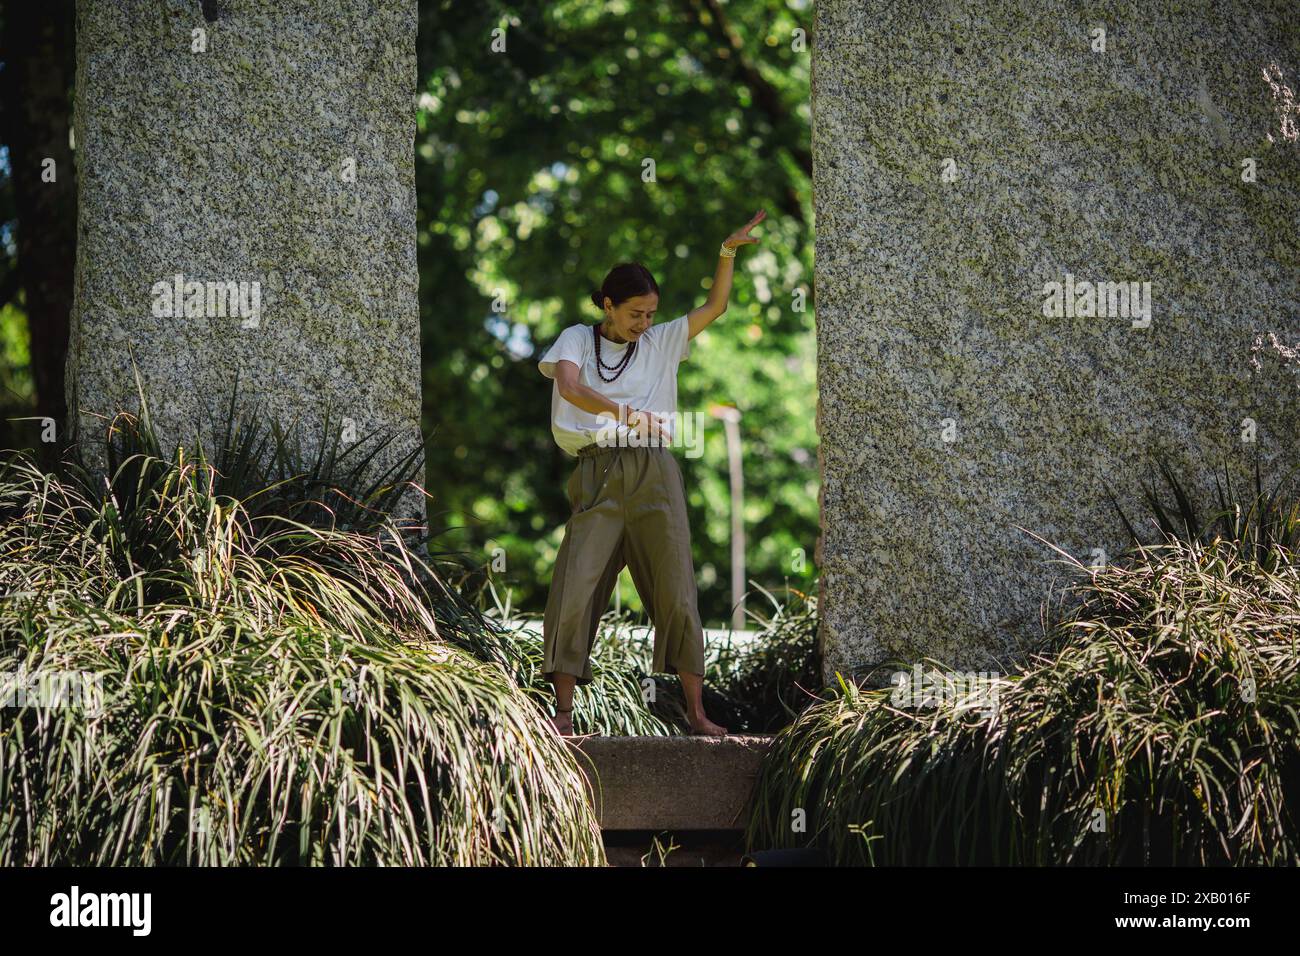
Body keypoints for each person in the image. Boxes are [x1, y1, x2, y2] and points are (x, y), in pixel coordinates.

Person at [536, 210, 766, 736]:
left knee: (676, 588)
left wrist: (726, 253)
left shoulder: (662, 342)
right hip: (595, 472)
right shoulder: (576, 339)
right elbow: (569, 388)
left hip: (654, 474)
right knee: (575, 586)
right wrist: (627, 414)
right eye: (635, 313)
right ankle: (564, 715)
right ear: (609, 305)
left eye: (651, 314)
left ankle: (696, 713)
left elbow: (716, 305)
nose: (644, 323)